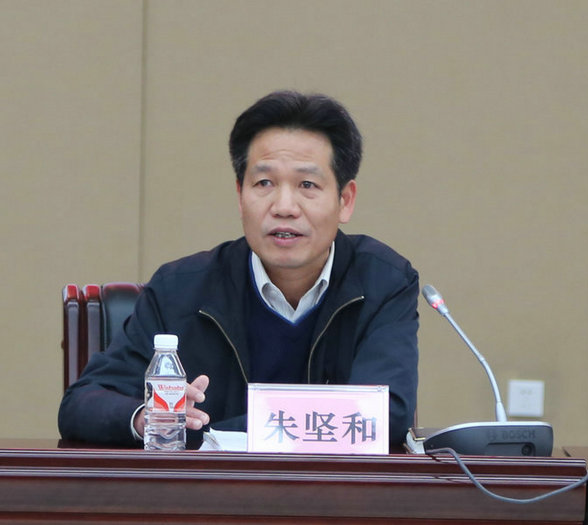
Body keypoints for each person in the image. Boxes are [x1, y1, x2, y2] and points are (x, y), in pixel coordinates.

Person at [58, 90, 419, 448]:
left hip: (333, 487)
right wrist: (147, 417)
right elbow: (82, 404)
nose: (284, 206)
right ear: (240, 195)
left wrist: (215, 434)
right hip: (209, 487)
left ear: (345, 200)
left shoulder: (383, 282)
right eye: (264, 183)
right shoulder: (179, 289)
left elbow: (385, 414)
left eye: (307, 185)